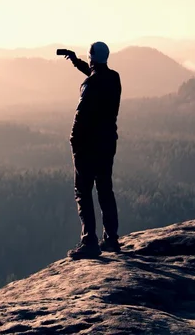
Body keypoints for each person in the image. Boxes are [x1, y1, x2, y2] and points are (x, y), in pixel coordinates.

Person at [62, 42, 122, 259]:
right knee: (105, 190)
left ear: (91, 58)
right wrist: (76, 61)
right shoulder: (114, 79)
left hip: (88, 147)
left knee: (83, 191)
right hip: (107, 144)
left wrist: (73, 142)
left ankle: (89, 242)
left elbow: (80, 116)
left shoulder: (90, 84)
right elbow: (97, 74)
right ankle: (112, 239)